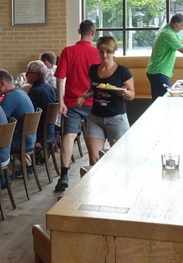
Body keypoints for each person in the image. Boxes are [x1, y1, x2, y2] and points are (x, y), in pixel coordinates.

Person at [54, 20, 100, 192]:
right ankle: (94, 170)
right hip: (93, 102)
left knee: (69, 136)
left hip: (72, 102)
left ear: (79, 31)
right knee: (93, 136)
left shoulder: (68, 51)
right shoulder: (98, 52)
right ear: (93, 33)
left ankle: (64, 175)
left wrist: (61, 102)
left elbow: (60, 78)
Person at [76, 36, 136, 165]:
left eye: (108, 52)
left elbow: (131, 95)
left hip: (116, 118)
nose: (104, 55)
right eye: (101, 52)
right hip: (95, 118)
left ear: (113, 52)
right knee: (94, 159)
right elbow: (93, 89)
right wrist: (84, 96)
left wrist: (124, 92)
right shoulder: (93, 69)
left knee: (121, 158)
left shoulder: (122, 71)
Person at [0, 69, 36, 170]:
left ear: (2, 83)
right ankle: (28, 165)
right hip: (29, 139)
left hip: (21, 142)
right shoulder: (19, 91)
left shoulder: (11, 97)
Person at [26, 60, 58, 146]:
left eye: (28, 73)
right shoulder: (52, 89)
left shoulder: (35, 91)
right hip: (50, 131)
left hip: (38, 133)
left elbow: (29, 113)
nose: (26, 76)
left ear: (36, 75)